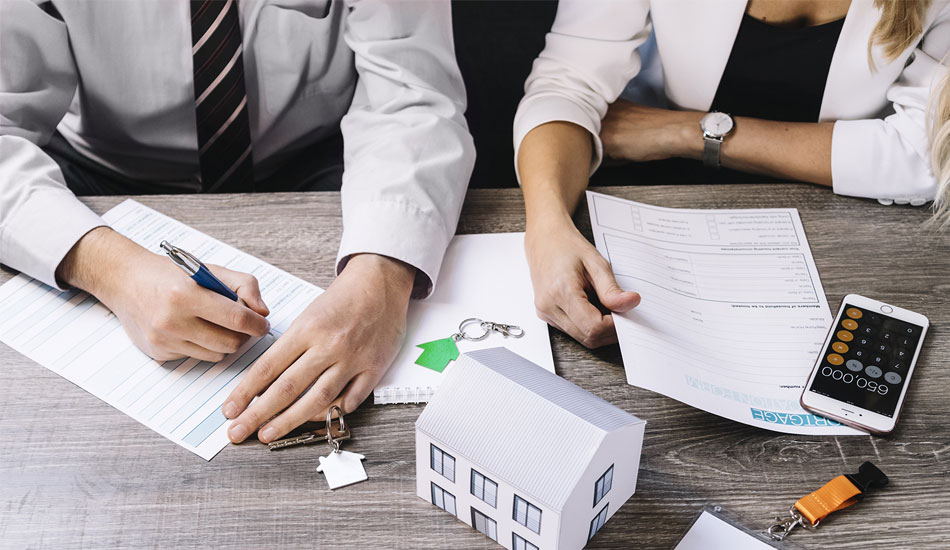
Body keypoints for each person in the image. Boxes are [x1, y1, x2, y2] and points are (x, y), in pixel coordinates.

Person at [0, 0, 474, 444]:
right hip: (100, 173)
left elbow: (412, 95)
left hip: (316, 162)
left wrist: (383, 273)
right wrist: (109, 268)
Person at [513, 0, 950, 349]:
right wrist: (547, 228)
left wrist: (689, 132)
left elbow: (927, 152)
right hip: (665, 210)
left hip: (854, 233)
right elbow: (568, 85)